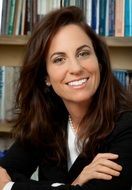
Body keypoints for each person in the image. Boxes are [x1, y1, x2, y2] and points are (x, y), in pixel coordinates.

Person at [0, 6, 132, 190]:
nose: (76, 68)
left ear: (99, 62)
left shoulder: (127, 125)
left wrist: (9, 187)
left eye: (83, 53)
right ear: (45, 77)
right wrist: (75, 184)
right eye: (59, 59)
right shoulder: (47, 120)